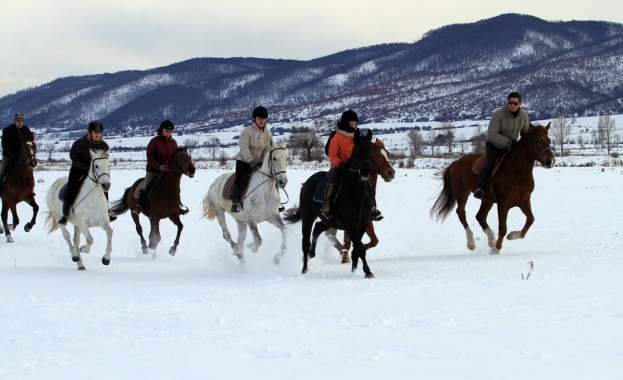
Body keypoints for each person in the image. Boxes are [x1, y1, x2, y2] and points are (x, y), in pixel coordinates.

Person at [474, 91, 530, 199]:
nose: (512, 105)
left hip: (512, 147)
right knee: (490, 163)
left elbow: (525, 132)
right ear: (507, 102)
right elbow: (492, 134)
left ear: (520, 104)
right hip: (494, 146)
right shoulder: (498, 114)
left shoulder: (523, 116)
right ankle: (479, 188)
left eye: (515, 103)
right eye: (510, 103)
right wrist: (509, 142)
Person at [58, 121, 116, 225]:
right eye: (95, 132)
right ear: (90, 132)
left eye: (99, 132)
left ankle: (106, 211)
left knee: (104, 189)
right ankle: (65, 215)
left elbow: (104, 161)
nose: (97, 134)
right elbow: (73, 156)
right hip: (78, 171)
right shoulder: (80, 143)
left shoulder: (104, 146)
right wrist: (84, 167)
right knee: (71, 189)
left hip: (95, 173)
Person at [132, 119, 187, 215]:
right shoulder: (154, 142)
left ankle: (178, 206)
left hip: (167, 171)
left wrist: (173, 167)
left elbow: (175, 157)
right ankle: (139, 206)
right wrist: (159, 166)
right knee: (146, 186)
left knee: (175, 188)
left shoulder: (173, 143)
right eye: (166, 131)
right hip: (153, 170)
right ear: (162, 131)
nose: (168, 133)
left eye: (170, 131)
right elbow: (150, 157)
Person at [230, 106, 275, 213]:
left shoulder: (268, 133)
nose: (262, 121)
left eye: (264, 118)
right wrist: (250, 160)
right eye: (259, 118)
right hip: (245, 161)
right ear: (254, 119)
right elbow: (244, 147)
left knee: (273, 178)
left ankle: (275, 202)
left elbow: (268, 148)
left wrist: (265, 161)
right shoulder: (247, 131)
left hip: (260, 162)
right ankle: (235, 202)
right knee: (239, 178)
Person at [0, 113, 33, 191]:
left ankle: (30, 188)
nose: (20, 122)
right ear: (14, 121)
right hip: (9, 155)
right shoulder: (7, 130)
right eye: (18, 121)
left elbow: (29, 142)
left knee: (30, 169)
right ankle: (1, 186)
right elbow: (5, 144)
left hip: (23, 156)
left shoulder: (26, 129)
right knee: (2, 170)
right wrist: (10, 154)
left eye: (21, 121)